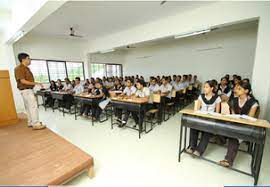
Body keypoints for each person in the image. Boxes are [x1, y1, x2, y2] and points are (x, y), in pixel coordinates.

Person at [219, 82, 259, 167]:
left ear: (246, 91)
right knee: (220, 125)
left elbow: (249, 120)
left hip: (246, 126)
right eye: (236, 88)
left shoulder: (253, 103)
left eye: (239, 89)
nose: (236, 90)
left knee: (234, 136)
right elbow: (233, 115)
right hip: (235, 123)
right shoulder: (234, 100)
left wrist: (237, 120)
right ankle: (222, 139)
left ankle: (228, 160)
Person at [187, 80, 221, 157]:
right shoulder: (201, 96)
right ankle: (192, 147)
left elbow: (217, 113)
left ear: (212, 88)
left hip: (210, 120)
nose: (204, 89)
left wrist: (211, 116)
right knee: (193, 126)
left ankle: (199, 150)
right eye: (204, 87)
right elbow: (197, 110)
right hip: (201, 118)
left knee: (207, 131)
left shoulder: (217, 98)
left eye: (206, 87)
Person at [14, 53, 46, 130]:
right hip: (26, 90)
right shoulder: (19, 68)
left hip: (27, 90)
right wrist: (36, 83)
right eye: (28, 58)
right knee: (33, 107)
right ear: (23, 59)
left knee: (29, 107)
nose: (30, 60)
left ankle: (31, 122)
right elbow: (23, 81)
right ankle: (36, 124)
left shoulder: (26, 68)